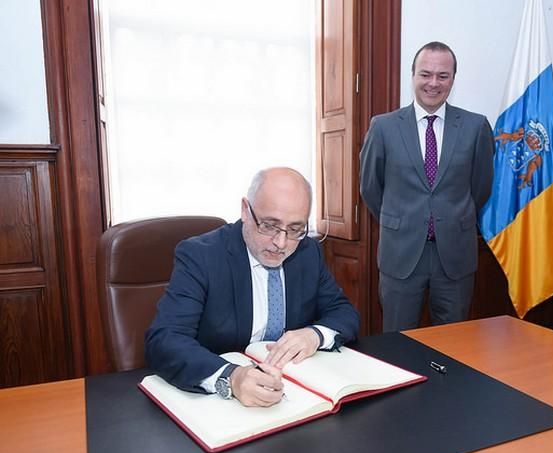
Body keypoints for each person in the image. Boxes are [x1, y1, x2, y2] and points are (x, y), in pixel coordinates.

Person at [145, 167, 360, 407]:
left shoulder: (307, 252)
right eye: (269, 226)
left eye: (295, 229)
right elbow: (165, 339)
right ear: (245, 211)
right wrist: (231, 377)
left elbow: (344, 312)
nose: (281, 243)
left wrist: (315, 335)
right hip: (218, 403)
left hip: (294, 393)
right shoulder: (201, 256)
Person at [359, 41, 494, 332]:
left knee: (455, 345)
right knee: (397, 344)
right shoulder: (383, 127)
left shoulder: (476, 126)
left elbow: (481, 188)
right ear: (413, 76)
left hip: (455, 257)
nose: (433, 83)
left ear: (453, 80)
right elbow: (371, 187)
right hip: (401, 255)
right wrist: (400, 219)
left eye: (442, 76)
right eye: (425, 74)